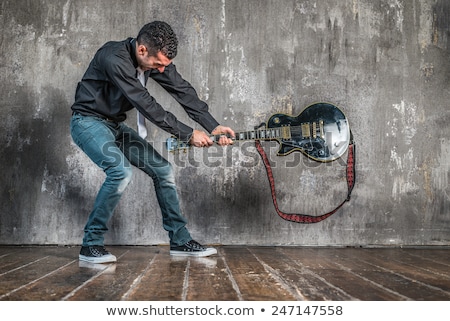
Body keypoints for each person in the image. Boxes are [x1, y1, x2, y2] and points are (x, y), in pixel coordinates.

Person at [70, 21, 235, 263]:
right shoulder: (113, 58)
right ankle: (90, 245)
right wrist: (188, 134)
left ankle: (180, 240)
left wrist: (213, 126)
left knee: (163, 169)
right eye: (158, 64)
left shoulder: (153, 60)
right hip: (87, 122)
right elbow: (145, 104)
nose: (160, 70)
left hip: (114, 126)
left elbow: (182, 90)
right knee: (120, 172)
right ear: (142, 50)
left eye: (164, 66)